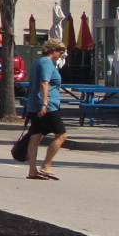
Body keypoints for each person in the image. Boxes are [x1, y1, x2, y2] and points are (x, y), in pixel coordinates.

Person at [25, 38, 69, 180]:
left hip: (34, 104)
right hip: (46, 106)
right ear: (54, 50)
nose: (61, 55)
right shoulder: (46, 62)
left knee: (36, 136)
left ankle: (32, 170)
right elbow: (44, 82)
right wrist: (45, 103)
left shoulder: (38, 61)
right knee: (61, 135)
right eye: (61, 52)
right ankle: (46, 165)